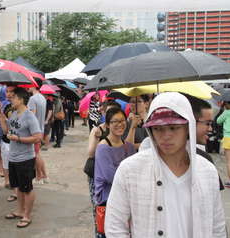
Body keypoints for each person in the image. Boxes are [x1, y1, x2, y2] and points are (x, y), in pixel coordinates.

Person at [105, 92, 226, 237]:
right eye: (158, 128)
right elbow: (114, 226)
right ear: (150, 130)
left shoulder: (207, 171)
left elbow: (217, 227)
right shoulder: (130, 170)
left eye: (174, 128)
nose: (166, 135)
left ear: (188, 127)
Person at [0, 87, 42, 228]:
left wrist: (19, 139)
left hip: (25, 158)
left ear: (21, 99)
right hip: (13, 157)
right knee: (17, 187)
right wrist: (1, 118)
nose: (10, 99)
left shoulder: (29, 116)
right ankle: (19, 211)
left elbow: (38, 137)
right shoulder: (14, 114)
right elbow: (7, 132)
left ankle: (27, 215)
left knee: (27, 188)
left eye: (13, 97)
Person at [93, 107, 136, 238]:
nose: (120, 124)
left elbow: (135, 171)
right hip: (108, 199)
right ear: (107, 125)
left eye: (122, 121)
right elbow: (110, 177)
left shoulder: (128, 147)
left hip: (127, 199)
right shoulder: (103, 148)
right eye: (115, 121)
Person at [28, 84, 48, 182]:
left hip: (34, 131)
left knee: (36, 154)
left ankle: (40, 176)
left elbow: (32, 115)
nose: (28, 87)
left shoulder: (32, 99)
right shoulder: (43, 98)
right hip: (41, 128)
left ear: (34, 86)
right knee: (37, 153)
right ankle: (43, 175)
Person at [216, 101, 230, 187]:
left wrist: (223, 110)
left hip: (228, 138)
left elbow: (218, 121)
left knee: (229, 161)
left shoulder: (226, 112)